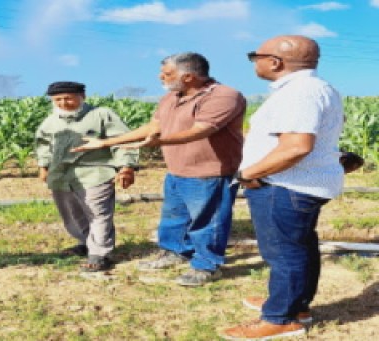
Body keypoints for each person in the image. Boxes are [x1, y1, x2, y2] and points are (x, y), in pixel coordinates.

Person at [73, 53, 246, 285]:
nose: (160, 77)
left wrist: (159, 142)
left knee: (208, 221)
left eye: (167, 73)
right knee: (174, 217)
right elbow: (153, 126)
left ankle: (207, 265)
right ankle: (175, 252)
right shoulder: (170, 97)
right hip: (177, 169)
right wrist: (107, 143)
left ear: (188, 77)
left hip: (210, 172)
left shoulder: (224, 96)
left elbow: (201, 130)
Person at [221, 36, 345, 340]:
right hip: (297, 185)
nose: (254, 62)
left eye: (256, 55)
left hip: (284, 185)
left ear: (275, 62)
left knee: (283, 252)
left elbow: (296, 146)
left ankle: (280, 318)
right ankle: (295, 304)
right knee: (299, 246)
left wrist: (248, 173)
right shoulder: (315, 88)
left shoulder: (299, 93)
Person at [35, 81, 139, 272]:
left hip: (95, 172)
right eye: (58, 99)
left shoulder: (101, 115)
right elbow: (43, 145)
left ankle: (100, 254)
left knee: (97, 213)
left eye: (68, 98)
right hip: (61, 175)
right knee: (72, 213)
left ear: (83, 96)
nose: (63, 103)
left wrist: (126, 166)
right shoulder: (51, 120)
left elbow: (123, 141)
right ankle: (84, 242)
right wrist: (43, 166)